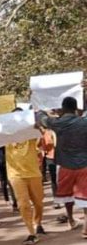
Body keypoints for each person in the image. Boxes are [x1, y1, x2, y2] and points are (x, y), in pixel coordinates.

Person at [37, 97, 87, 237]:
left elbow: (42, 119)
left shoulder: (57, 123)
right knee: (85, 196)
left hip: (64, 165)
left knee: (67, 195)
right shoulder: (84, 122)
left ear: (63, 108)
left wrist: (38, 104)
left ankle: (70, 219)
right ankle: (86, 226)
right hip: (84, 164)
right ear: (76, 108)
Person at [5, 132, 46, 245]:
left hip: (34, 174)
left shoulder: (31, 137)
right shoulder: (5, 138)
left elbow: (41, 133)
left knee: (38, 203)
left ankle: (37, 223)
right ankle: (31, 233)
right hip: (16, 176)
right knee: (23, 204)